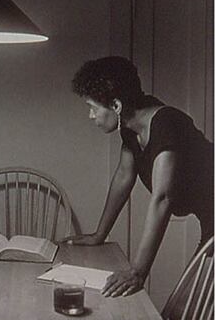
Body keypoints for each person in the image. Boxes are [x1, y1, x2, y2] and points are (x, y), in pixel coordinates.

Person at [63, 56, 213, 298]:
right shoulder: (131, 128)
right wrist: (99, 234)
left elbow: (163, 198)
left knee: (187, 307)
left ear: (116, 106)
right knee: (183, 307)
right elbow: (123, 177)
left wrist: (137, 272)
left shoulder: (165, 123)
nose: (91, 116)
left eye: (92, 107)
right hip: (210, 221)